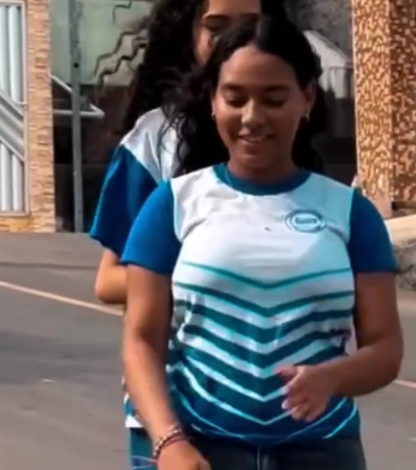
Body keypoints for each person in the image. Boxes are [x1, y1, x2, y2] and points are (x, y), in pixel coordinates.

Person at [120, 15, 403, 470]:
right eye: (235, 98)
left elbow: (386, 348)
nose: (253, 117)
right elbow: (140, 341)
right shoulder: (172, 205)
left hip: (320, 450)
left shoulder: (351, 214)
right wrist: (168, 442)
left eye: (274, 99)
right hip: (196, 448)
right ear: (213, 101)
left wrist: (332, 377)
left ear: (306, 98)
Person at [89, 1, 329, 467]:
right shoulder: (154, 141)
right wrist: (211, 276)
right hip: (178, 417)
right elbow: (109, 280)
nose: (230, 40)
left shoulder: (291, 141)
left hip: (293, 421)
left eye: (247, 24)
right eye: (215, 27)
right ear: (190, 34)